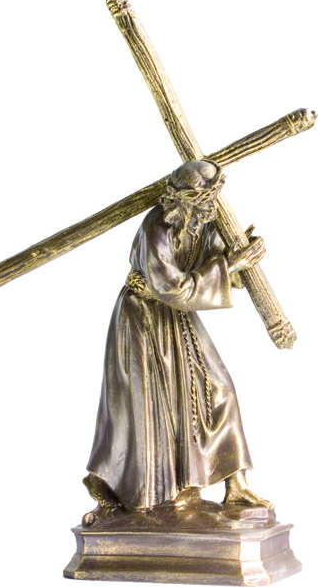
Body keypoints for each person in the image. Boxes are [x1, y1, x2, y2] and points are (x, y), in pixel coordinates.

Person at [83, 160, 271, 525]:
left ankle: (237, 485)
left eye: (213, 197)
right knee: (148, 407)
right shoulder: (157, 227)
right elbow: (173, 287)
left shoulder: (205, 221)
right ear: (184, 199)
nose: (211, 206)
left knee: (219, 389)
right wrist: (230, 267)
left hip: (177, 316)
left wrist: (238, 256)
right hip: (142, 318)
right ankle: (143, 494)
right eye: (203, 199)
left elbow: (212, 262)